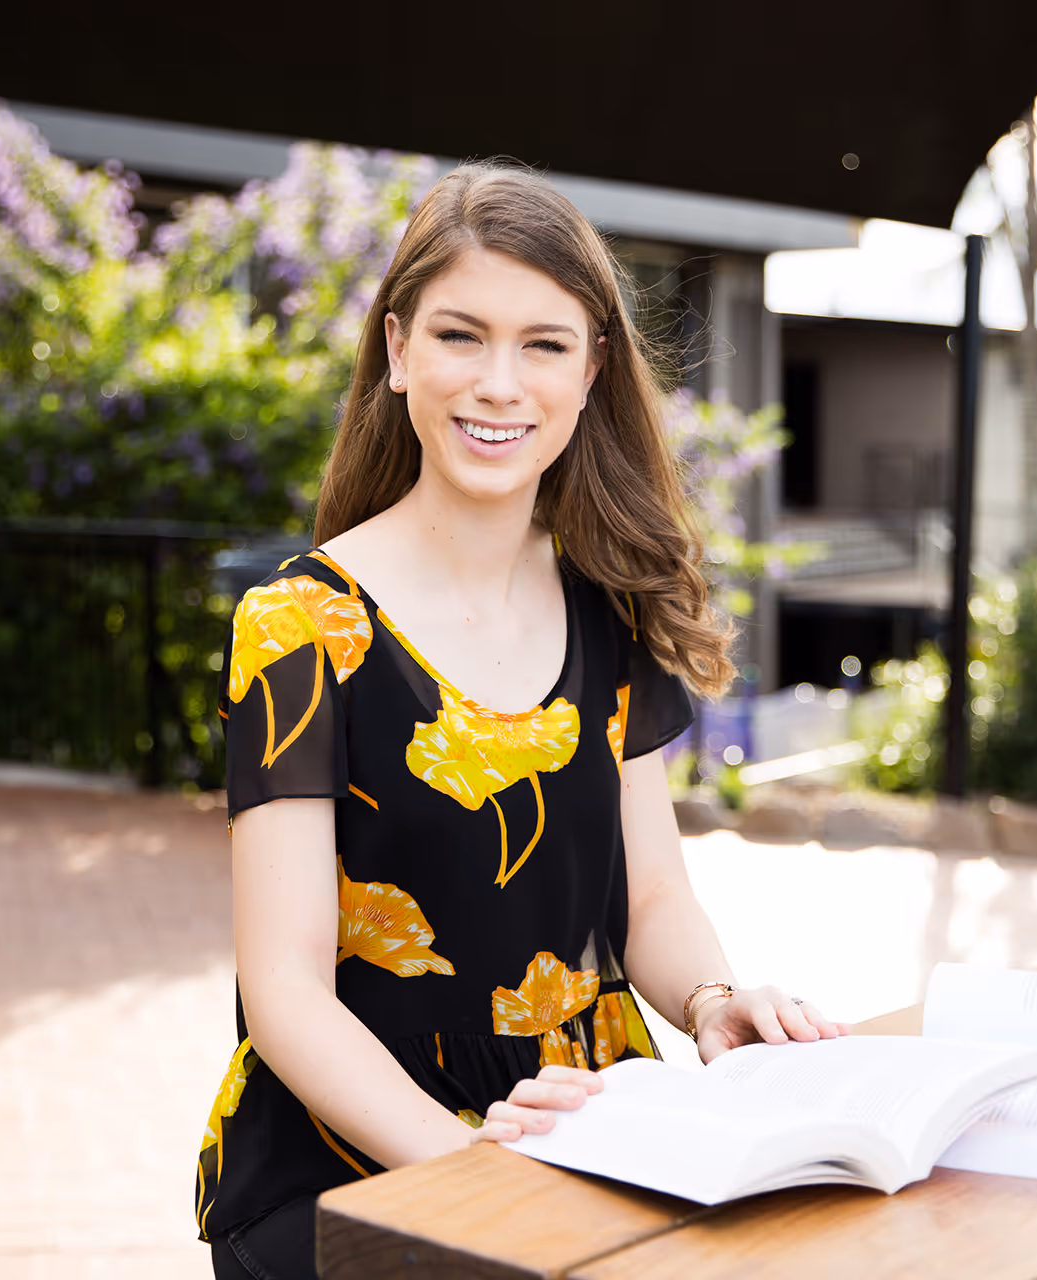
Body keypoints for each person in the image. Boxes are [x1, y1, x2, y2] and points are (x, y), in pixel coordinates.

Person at [195, 162, 843, 1280]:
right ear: (398, 351)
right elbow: (286, 991)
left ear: (592, 371)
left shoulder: (611, 601)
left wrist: (711, 999)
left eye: (544, 343)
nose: (501, 382)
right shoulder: (300, 624)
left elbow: (652, 899)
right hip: (356, 1156)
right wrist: (469, 1168)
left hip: (595, 1125)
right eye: (461, 335)